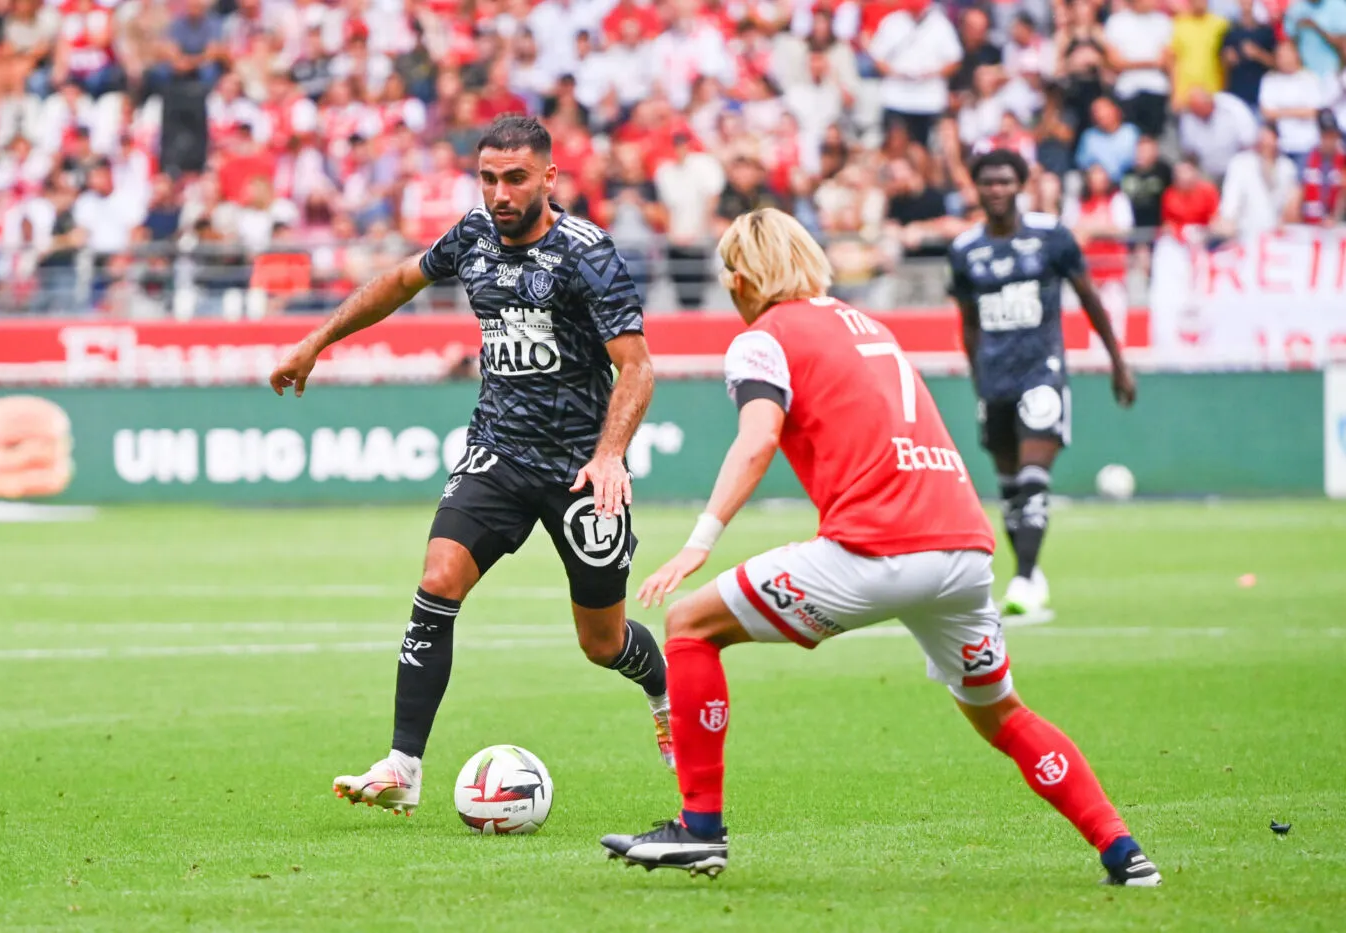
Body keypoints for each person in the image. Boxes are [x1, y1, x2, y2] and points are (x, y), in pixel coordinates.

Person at [597, 208, 1161, 888]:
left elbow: (757, 439)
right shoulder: (866, 323)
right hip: (962, 552)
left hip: (874, 551)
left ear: (742, 278)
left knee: (688, 624)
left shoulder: (764, 336)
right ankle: (1124, 851)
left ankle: (700, 828)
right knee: (1003, 713)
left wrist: (699, 541)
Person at [269, 116, 673, 816]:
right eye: (488, 177)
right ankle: (403, 765)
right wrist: (317, 340)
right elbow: (400, 280)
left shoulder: (588, 253)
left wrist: (610, 454)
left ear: (549, 177)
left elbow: (636, 367)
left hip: (579, 469)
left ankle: (662, 690)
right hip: (497, 453)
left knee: (601, 642)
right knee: (438, 576)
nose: (500, 192)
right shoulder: (473, 236)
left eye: (515, 178)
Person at [947, 150, 1136, 616]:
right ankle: (1030, 571)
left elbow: (1089, 297)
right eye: (988, 182)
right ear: (977, 188)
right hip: (995, 381)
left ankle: (1026, 577)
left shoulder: (1051, 237)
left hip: (1042, 373)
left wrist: (1117, 361)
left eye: (1005, 181)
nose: (996, 190)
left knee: (1033, 480)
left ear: (1021, 185)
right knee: (1011, 488)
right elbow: (968, 321)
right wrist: (977, 379)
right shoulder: (965, 249)